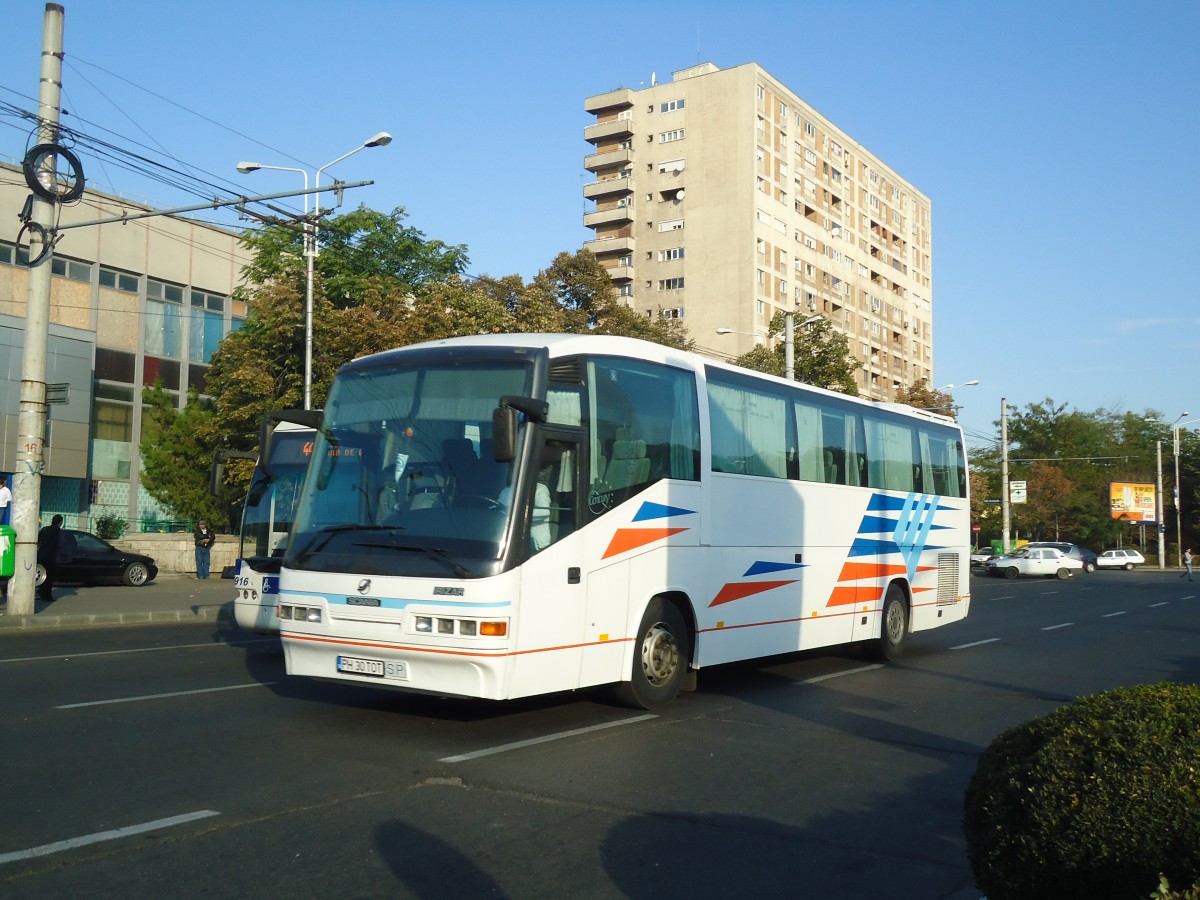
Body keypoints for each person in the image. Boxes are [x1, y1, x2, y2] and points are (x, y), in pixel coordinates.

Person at [37, 514, 64, 602]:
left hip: (41, 556)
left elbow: (38, 540)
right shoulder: (60, 532)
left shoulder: (44, 529)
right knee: (50, 577)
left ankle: (41, 591)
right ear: (60, 522)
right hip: (52, 557)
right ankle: (46, 595)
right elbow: (61, 545)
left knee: (43, 575)